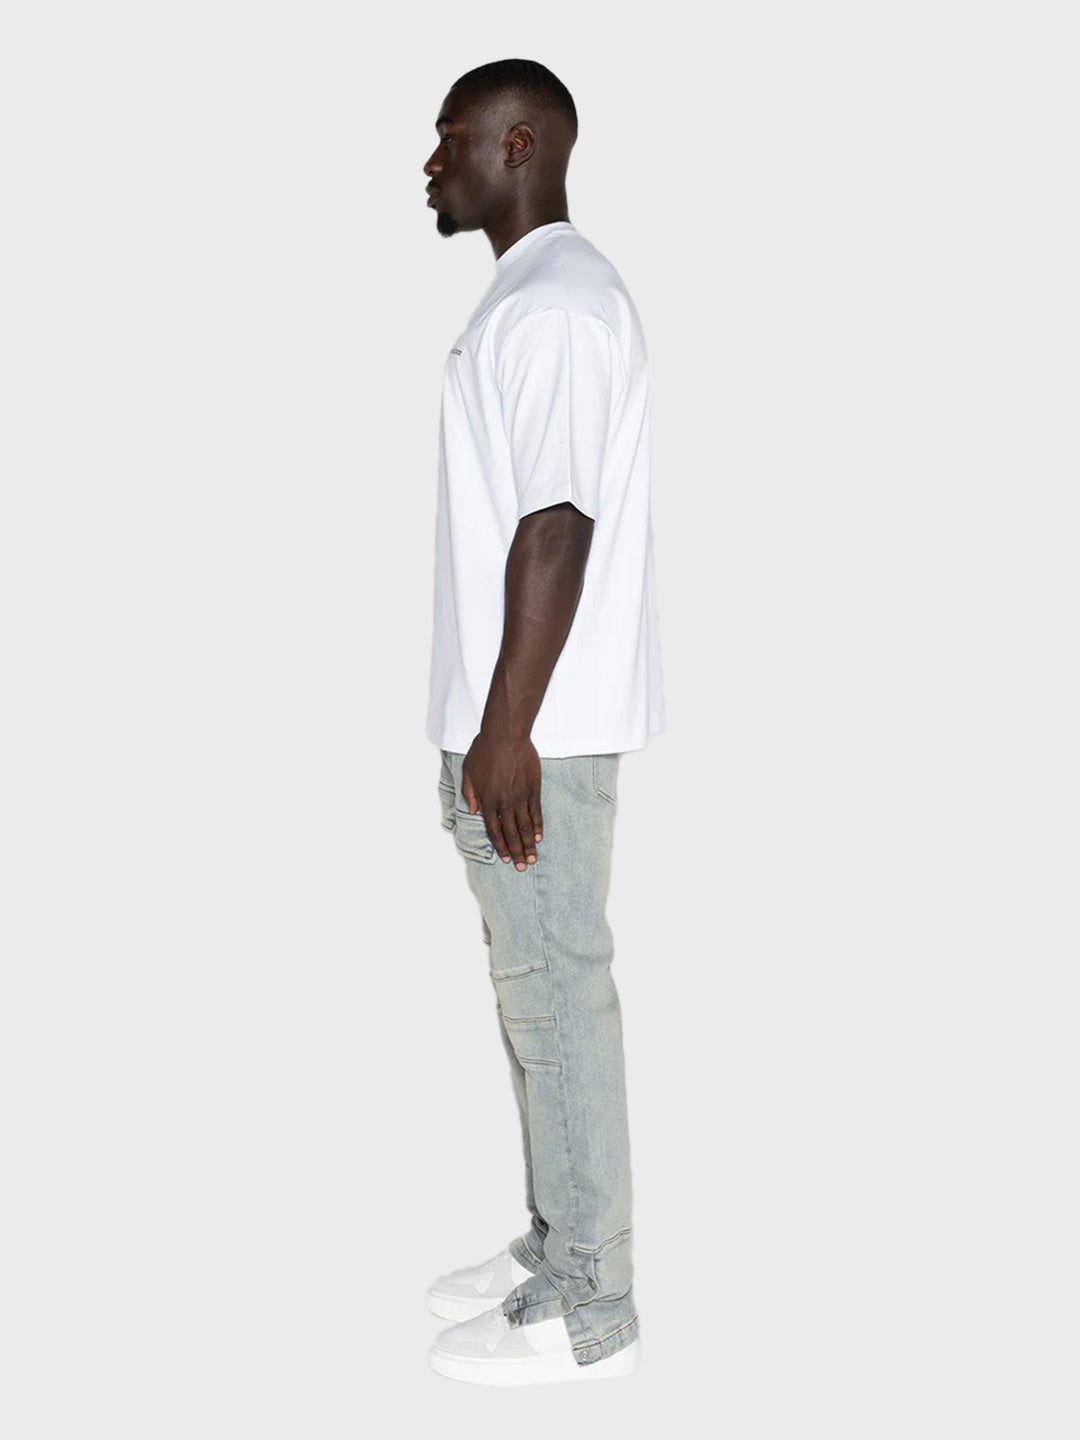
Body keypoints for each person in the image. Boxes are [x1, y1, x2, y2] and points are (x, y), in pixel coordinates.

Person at [421, 58, 665, 1386]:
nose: (432, 165)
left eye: (452, 138)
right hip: (518, 728)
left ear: (521, 145)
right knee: (535, 1004)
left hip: (541, 738)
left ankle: (591, 1312)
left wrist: (507, 731)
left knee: (558, 998)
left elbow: (557, 528)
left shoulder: (558, 304)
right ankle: (559, 1240)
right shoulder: (530, 296)